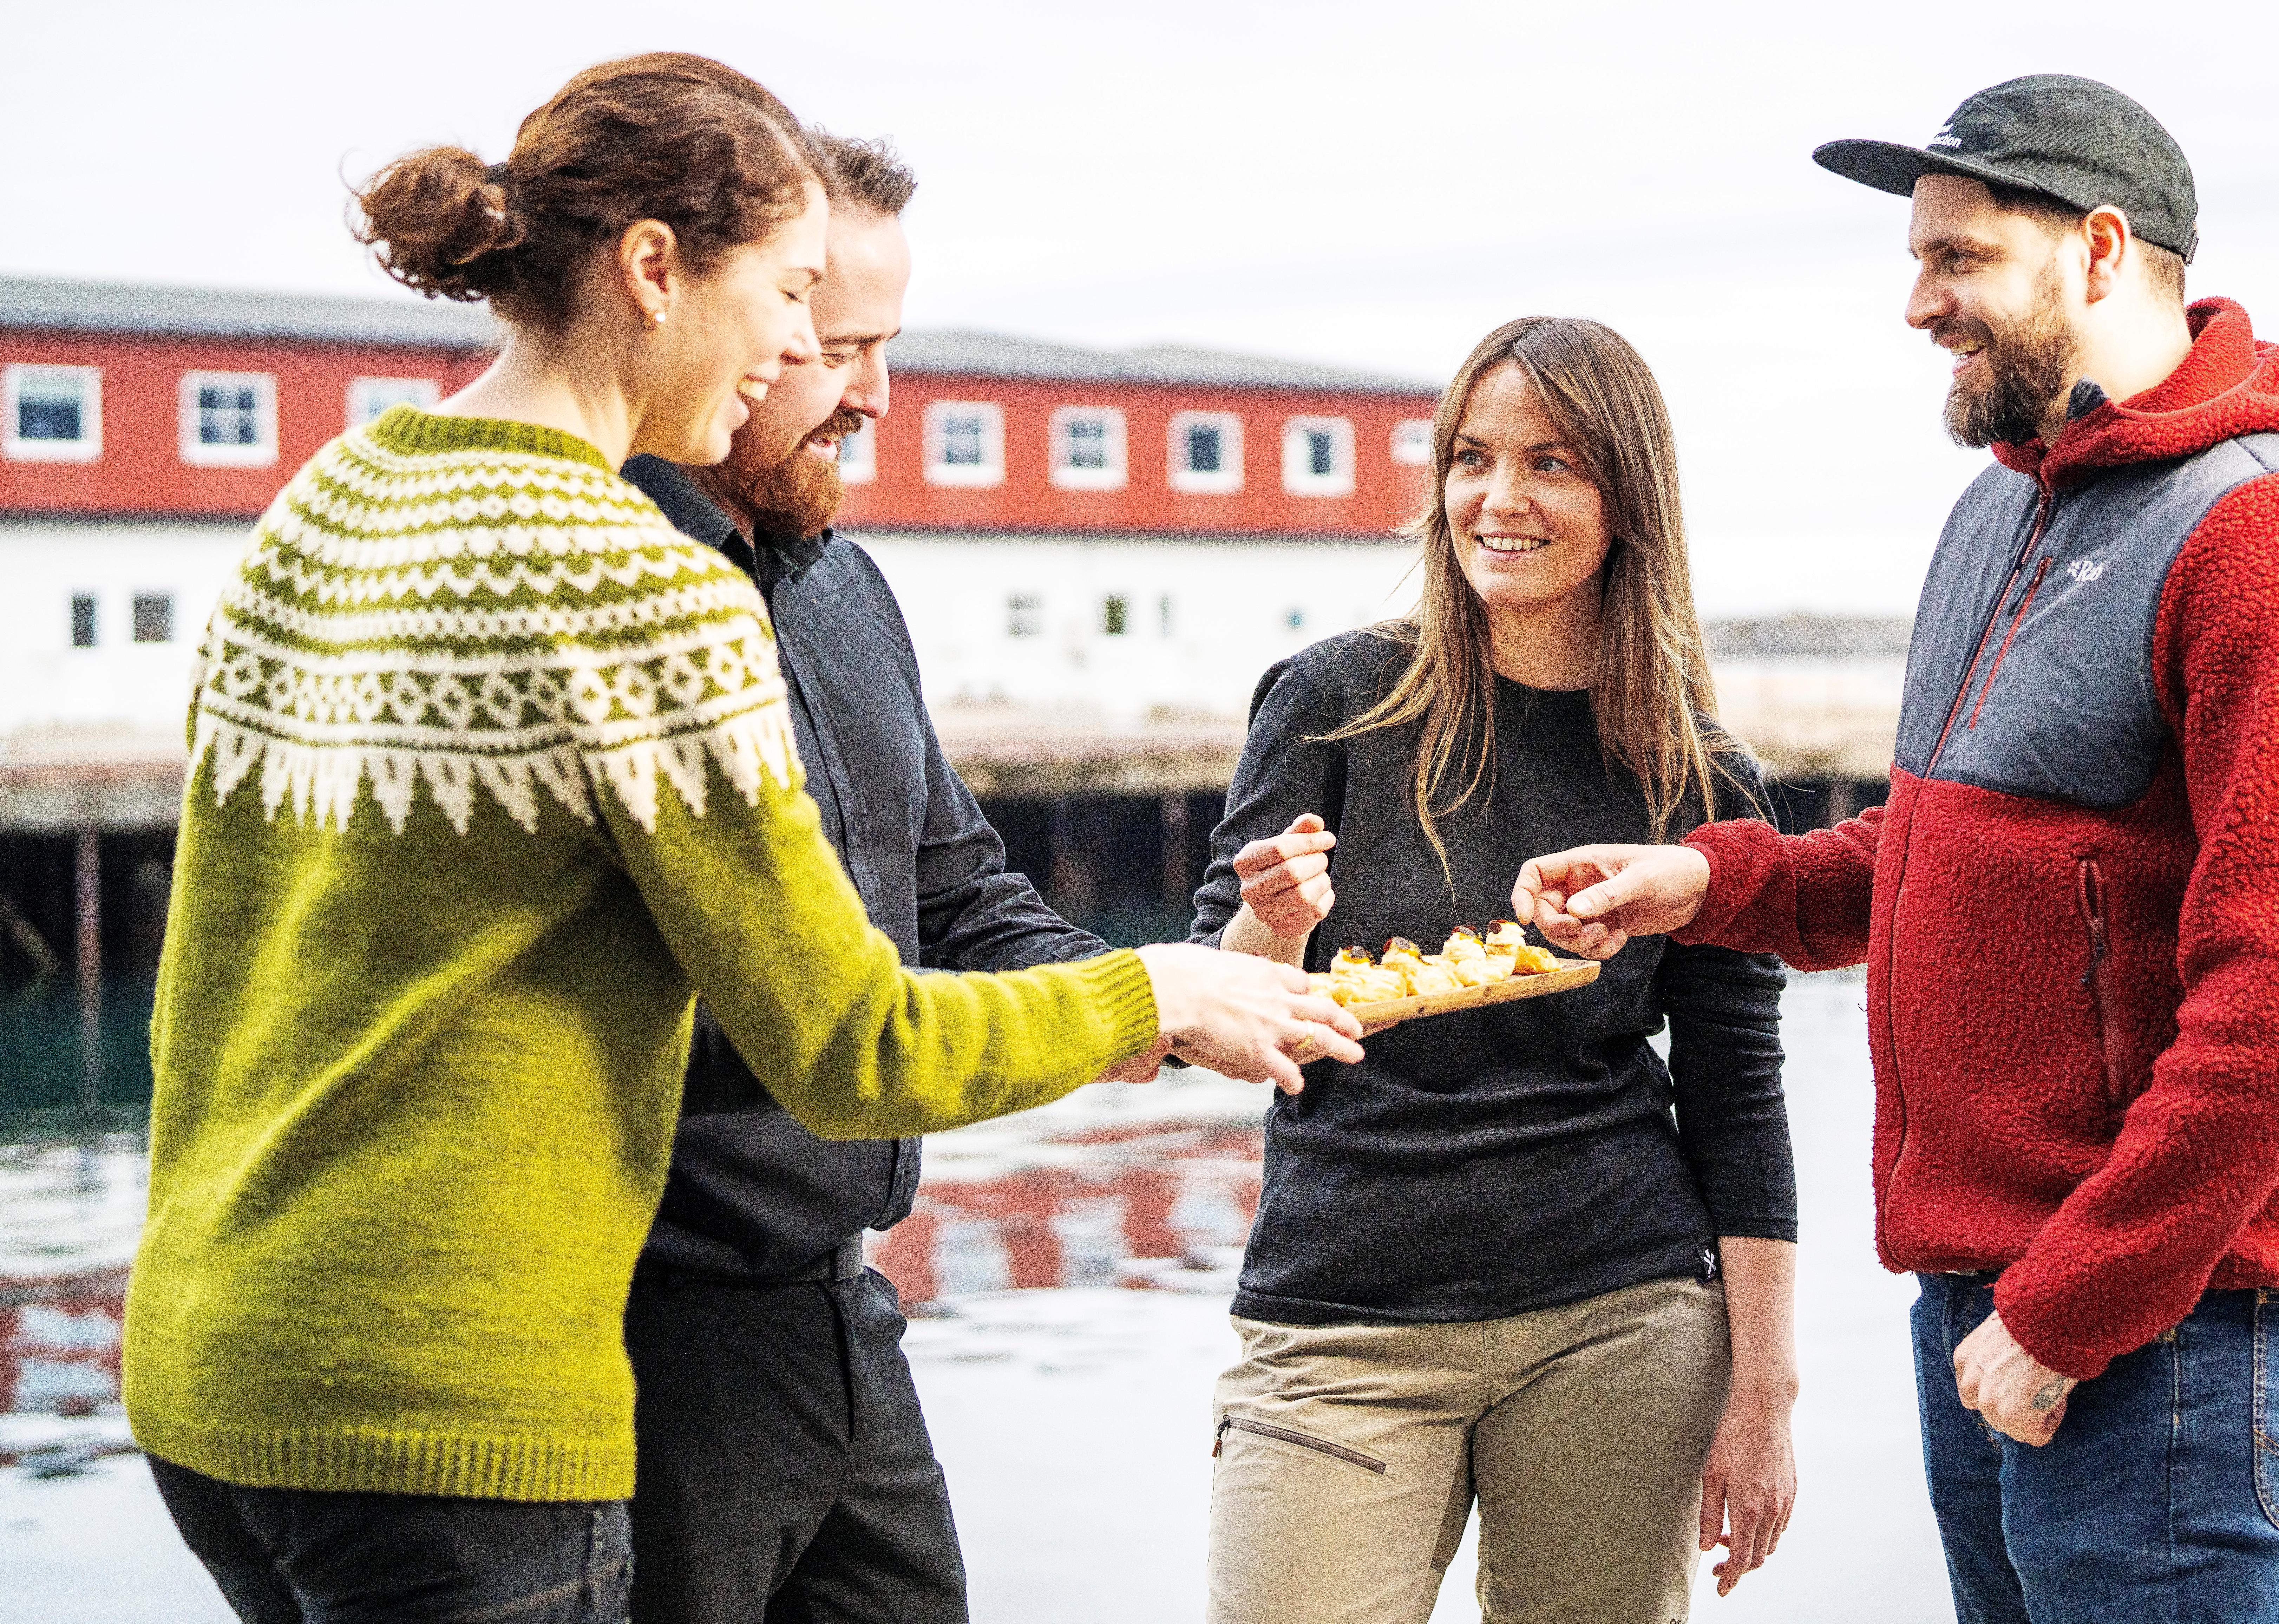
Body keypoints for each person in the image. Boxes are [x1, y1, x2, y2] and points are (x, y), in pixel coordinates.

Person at [123, 54, 1360, 1624]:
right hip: (459, 1394)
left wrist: (1174, 987)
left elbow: (204, 986)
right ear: (654, 270)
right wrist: (1160, 993)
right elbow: (847, 1044)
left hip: (216, 1364)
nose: (807, 349)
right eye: (795, 300)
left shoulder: (321, 505)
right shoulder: (636, 580)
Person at [1513, 75, 2279, 1623]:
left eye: (1960, 260)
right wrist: (1715, 882)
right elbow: (1938, 856)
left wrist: (2072, 1309)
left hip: (2157, 1327)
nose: (1919, 304)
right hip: (1991, 1298)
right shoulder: (1999, 517)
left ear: (2103, 251)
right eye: (1916, 259)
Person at [1193, 316, 1799, 1624]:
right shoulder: (1332, 701)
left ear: (1627, 500)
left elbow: (1738, 1093)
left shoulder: (1698, 777)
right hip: (1342, 1311)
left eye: (1552, 464)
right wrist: (1274, 929)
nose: (1498, 498)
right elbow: (1212, 1007)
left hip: (1620, 1312)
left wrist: (1763, 1394)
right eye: (1471, 457)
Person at [610, 129, 1115, 1624]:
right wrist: (1130, 1003)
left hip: (845, 1313)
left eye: (885, 348)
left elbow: (955, 896)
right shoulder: (600, 589)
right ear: (724, 317)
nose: (877, 396)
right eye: (836, 349)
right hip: (644, 1341)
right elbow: (758, 1018)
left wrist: (1163, 998)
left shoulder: (844, 584)